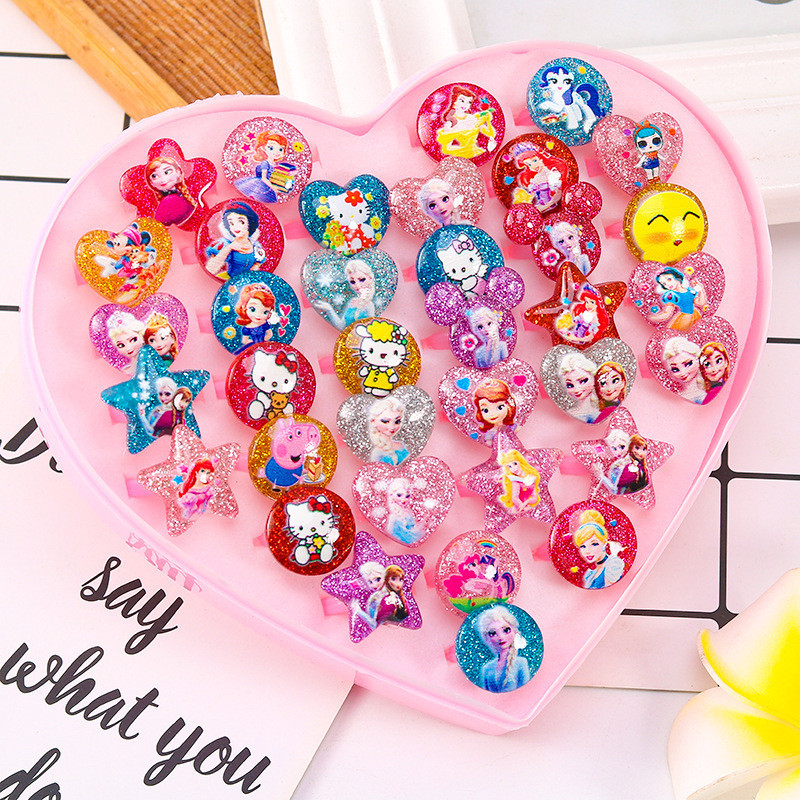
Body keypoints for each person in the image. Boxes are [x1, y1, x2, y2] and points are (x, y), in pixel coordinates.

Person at [204, 201, 266, 279]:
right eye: (231, 223)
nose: (236, 227)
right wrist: (229, 247)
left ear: (250, 223)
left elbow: (257, 263)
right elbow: (211, 269)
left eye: (241, 222)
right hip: (230, 280)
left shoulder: (256, 246)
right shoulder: (225, 243)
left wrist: (253, 271)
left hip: (248, 281)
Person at [476, 605, 531, 693]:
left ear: (515, 631)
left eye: (506, 630)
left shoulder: (521, 663)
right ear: (487, 638)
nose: (501, 637)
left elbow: (526, 690)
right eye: (493, 633)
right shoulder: (487, 668)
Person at [435, 86, 497, 159]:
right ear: (454, 101)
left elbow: (490, 133)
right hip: (459, 155)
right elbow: (446, 148)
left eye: (469, 102)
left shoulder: (473, 118)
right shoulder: (450, 123)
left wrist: (488, 121)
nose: (465, 105)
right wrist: (462, 151)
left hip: (476, 153)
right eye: (462, 100)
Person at [312, 258, 376, 330]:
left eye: (362, 279)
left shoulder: (369, 305)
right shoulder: (352, 302)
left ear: (370, 278)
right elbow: (341, 326)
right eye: (352, 282)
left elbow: (372, 329)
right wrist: (329, 309)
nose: (357, 285)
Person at [572, 508, 625, 589]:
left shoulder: (613, 565)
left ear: (604, 542)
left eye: (594, 544)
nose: (587, 551)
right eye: (583, 546)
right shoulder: (589, 575)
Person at [234, 131, 290, 203]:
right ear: (264, 148)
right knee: (257, 196)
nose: (277, 152)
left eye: (281, 149)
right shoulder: (265, 163)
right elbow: (264, 178)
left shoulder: (274, 165)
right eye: (271, 148)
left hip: (268, 186)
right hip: (260, 185)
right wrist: (273, 187)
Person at [648, 267, 708, 331]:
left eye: (669, 279)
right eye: (664, 284)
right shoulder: (671, 295)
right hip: (684, 319)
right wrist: (650, 318)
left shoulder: (690, 291)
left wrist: (701, 289)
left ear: (677, 277)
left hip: (695, 315)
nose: (667, 284)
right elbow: (667, 313)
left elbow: (700, 303)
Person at [145, 156, 196, 226]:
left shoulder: (169, 200)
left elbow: (157, 227)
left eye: (167, 172)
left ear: (178, 172)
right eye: (154, 176)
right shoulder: (180, 196)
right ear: (151, 183)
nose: (163, 179)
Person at [558, 352, 599, 422]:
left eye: (583, 381)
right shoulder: (571, 414)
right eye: (570, 385)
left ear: (593, 377)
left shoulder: (603, 409)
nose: (577, 389)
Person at [663, 337, 706, 404]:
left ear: (698, 359)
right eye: (675, 369)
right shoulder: (678, 397)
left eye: (688, 364)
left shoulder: (710, 387)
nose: (683, 373)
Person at [368, 396, 409, 465]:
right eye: (385, 421)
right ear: (373, 422)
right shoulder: (377, 453)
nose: (392, 427)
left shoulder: (401, 445)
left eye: (397, 421)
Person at [473, 379, 517, 444]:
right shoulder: (489, 435)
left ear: (508, 405)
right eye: (485, 410)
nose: (493, 414)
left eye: (500, 407)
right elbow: (489, 443)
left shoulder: (514, 427)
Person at [497, 449, 540, 514]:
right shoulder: (515, 481)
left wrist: (526, 502)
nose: (513, 469)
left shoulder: (531, 478)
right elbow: (514, 498)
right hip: (517, 509)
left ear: (521, 462)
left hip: (527, 508)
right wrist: (522, 506)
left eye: (515, 463)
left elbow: (534, 498)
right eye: (509, 466)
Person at [384, 477, 424, 545]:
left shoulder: (408, 513)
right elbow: (389, 532)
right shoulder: (393, 516)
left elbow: (413, 527)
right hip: (395, 543)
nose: (404, 499)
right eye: (399, 495)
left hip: (411, 541)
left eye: (407, 496)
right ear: (391, 495)